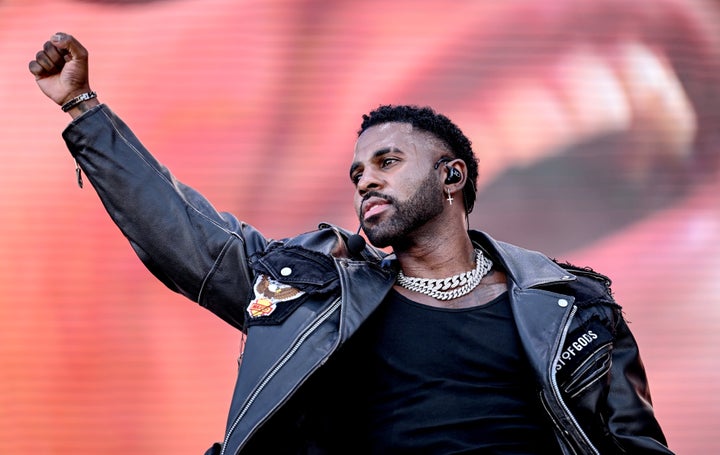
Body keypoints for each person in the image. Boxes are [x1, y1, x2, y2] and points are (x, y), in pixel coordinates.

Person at [29, 33, 673, 455]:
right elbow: (185, 236)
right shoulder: (316, 292)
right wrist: (84, 109)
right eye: (358, 172)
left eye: (388, 161)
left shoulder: (572, 306)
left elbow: (635, 443)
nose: (366, 179)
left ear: (452, 175)